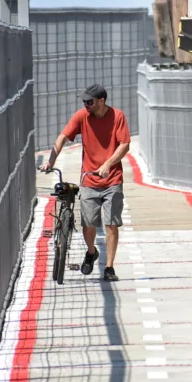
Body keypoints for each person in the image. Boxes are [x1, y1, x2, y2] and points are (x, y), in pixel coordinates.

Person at [39, 84, 131, 282]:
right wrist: (51, 161)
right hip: (89, 179)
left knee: (111, 225)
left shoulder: (117, 117)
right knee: (88, 224)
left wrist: (107, 164)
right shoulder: (82, 116)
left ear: (101, 101)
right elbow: (63, 137)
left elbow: (124, 145)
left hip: (112, 179)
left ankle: (109, 267)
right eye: (84, 102)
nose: (86, 105)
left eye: (90, 102)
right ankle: (91, 252)